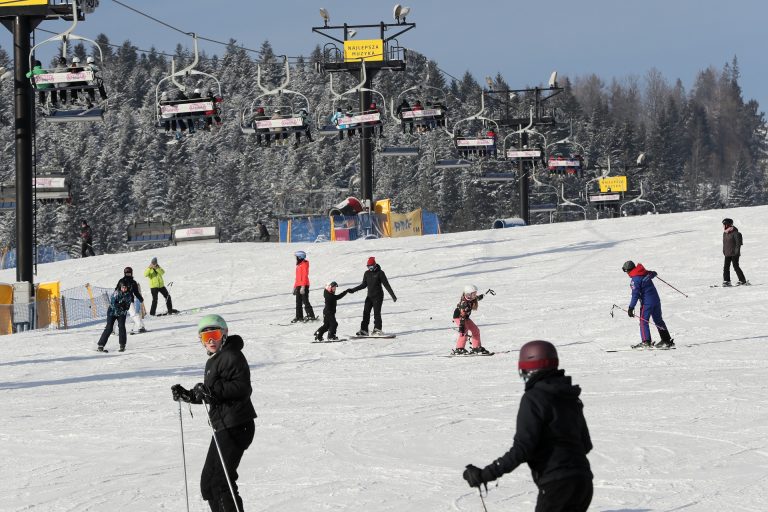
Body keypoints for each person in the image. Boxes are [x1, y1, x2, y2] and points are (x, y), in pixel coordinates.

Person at [463, 340, 593, 512]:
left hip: (556, 486)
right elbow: (585, 444)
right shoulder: (569, 396)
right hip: (583, 483)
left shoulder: (534, 398)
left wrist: (484, 475)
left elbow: (522, 449)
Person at [171, 314, 257, 512]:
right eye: (205, 336)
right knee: (209, 484)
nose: (210, 340)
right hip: (225, 424)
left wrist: (210, 391)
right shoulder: (216, 359)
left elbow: (242, 388)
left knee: (220, 481)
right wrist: (188, 395)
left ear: (224, 334)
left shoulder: (231, 355)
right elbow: (211, 393)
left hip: (236, 424)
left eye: (215, 334)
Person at [622, 260, 674, 349]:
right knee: (658, 320)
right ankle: (666, 340)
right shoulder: (645, 273)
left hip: (647, 303)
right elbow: (653, 273)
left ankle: (646, 342)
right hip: (656, 301)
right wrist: (654, 273)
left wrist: (631, 307)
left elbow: (635, 295)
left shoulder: (635, 280)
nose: (627, 273)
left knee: (643, 321)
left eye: (626, 271)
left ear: (629, 270)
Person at [347, 257, 397, 336]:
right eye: (368, 266)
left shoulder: (380, 273)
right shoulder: (367, 273)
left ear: (375, 265)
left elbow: (386, 285)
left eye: (371, 266)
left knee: (376, 313)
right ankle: (364, 330)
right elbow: (363, 285)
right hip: (369, 296)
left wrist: (393, 296)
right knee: (366, 312)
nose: (369, 268)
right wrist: (353, 290)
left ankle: (377, 329)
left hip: (378, 296)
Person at [451, 284, 490, 355]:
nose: (475, 295)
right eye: (474, 294)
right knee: (464, 331)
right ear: (469, 294)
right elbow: (462, 315)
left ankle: (476, 347)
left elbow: (476, 298)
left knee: (475, 330)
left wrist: (482, 295)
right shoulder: (464, 303)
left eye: (475, 293)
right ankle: (459, 349)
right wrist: (462, 326)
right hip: (459, 317)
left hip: (465, 317)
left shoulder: (471, 299)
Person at [96, 282, 134, 352]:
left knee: (121, 326)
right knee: (109, 328)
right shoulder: (116, 293)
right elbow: (113, 303)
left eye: (125, 288)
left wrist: (123, 307)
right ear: (120, 287)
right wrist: (120, 306)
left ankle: (122, 345)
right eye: (123, 287)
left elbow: (127, 306)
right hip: (112, 312)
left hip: (122, 313)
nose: (124, 289)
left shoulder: (128, 295)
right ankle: (101, 345)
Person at [117, 267, 146, 334]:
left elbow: (136, 292)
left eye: (129, 273)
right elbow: (117, 290)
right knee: (117, 314)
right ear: (124, 273)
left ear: (131, 273)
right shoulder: (121, 281)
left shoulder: (133, 282)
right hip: (120, 301)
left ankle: (141, 327)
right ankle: (111, 329)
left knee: (133, 314)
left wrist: (140, 298)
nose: (128, 274)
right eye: (127, 273)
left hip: (129, 300)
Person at [722, 218, 747, 286]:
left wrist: (736, 252)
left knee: (736, 266)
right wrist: (724, 250)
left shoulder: (736, 233)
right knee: (726, 267)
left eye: (724, 224)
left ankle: (742, 280)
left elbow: (738, 244)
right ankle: (727, 281)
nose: (723, 226)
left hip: (734, 253)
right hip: (727, 253)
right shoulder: (725, 233)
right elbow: (724, 243)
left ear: (728, 225)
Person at [292, 250, 316, 323]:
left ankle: (311, 315)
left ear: (300, 257)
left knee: (305, 301)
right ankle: (299, 316)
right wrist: (294, 287)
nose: (295, 258)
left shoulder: (304, 264)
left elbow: (304, 276)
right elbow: (297, 278)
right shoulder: (299, 265)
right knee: (298, 302)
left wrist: (303, 287)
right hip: (298, 285)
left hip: (304, 285)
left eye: (296, 257)